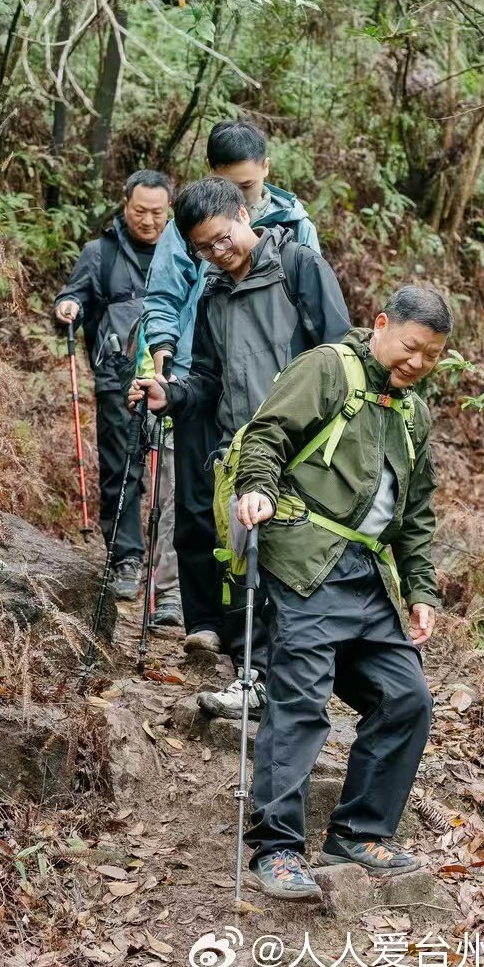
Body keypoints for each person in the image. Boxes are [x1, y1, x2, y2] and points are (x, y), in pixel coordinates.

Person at [229, 286, 451, 902]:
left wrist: (421, 590)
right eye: (412, 348)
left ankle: (358, 830)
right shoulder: (326, 368)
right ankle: (276, 849)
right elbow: (266, 436)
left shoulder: (413, 413)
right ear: (381, 324)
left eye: (432, 356)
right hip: (305, 559)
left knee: (405, 697)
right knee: (301, 702)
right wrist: (256, 489)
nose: (418, 364)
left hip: (368, 575)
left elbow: (417, 513)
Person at [130, 176, 349, 715]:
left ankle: (287, 679)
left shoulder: (299, 270)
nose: (216, 253)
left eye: (222, 238)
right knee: (247, 564)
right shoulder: (212, 295)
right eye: (202, 247)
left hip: (303, 448)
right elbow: (207, 379)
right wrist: (170, 393)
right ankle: (255, 675)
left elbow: (341, 357)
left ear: (244, 216)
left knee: (287, 567)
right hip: (240, 448)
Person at [142, 121, 322, 664]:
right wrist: (165, 361)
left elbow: (322, 329)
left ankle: (262, 637)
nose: (216, 249)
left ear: (264, 170)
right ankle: (206, 619)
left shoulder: (295, 233)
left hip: (277, 392)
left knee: (267, 508)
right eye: (228, 183)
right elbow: (165, 294)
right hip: (205, 377)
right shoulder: (190, 226)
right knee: (200, 505)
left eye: (246, 186)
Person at [53, 170, 181, 623]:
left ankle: (172, 574)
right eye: (140, 211)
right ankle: (126, 558)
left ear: (171, 211)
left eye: (157, 213)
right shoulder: (100, 253)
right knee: (122, 469)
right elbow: (74, 297)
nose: (148, 221)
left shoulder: (186, 252)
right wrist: (67, 307)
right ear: (124, 205)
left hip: (174, 379)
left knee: (173, 475)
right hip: (117, 377)